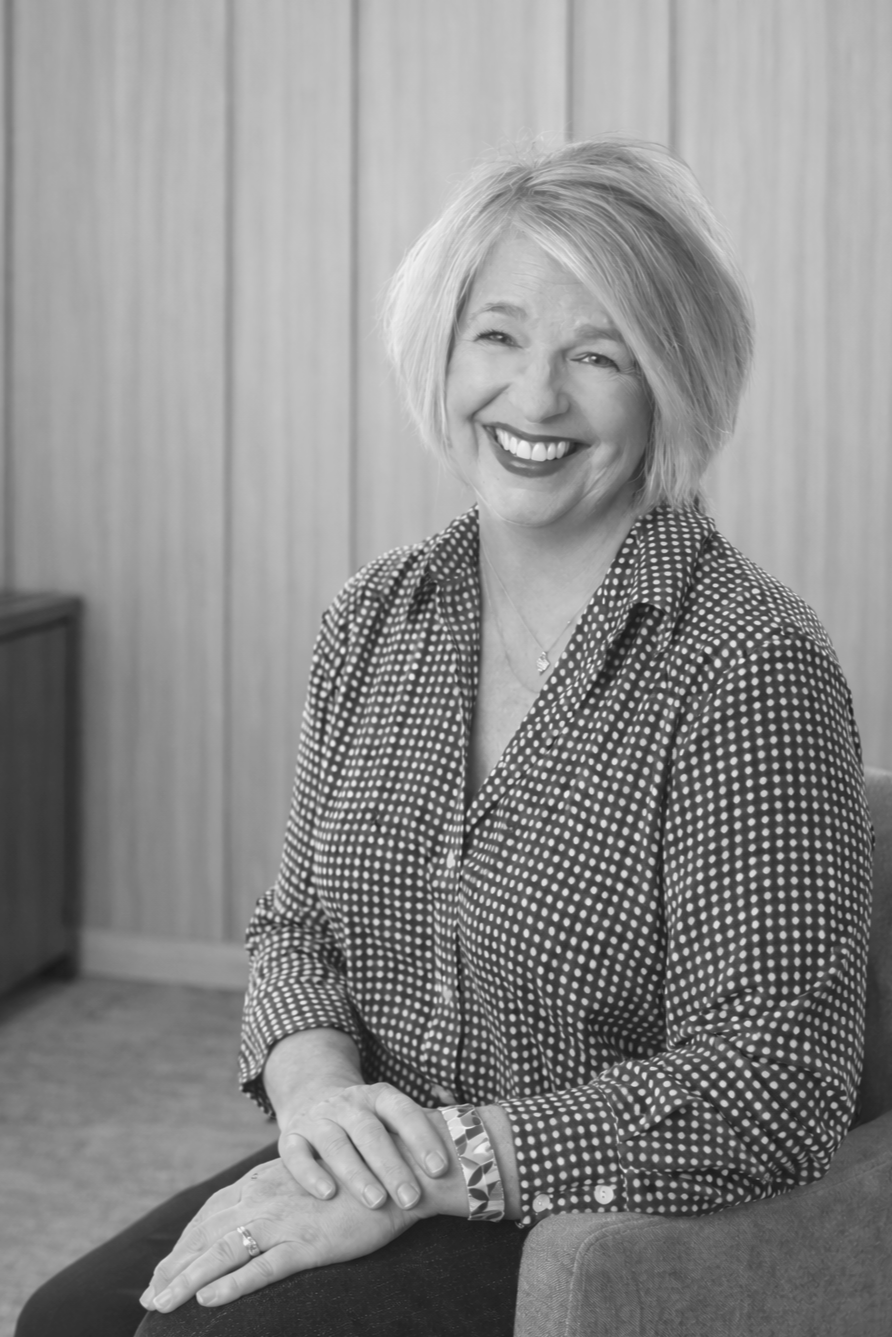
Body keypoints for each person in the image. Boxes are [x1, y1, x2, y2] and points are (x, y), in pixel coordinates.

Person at [17, 137, 873, 1337]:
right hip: (387, 1159)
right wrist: (320, 1100)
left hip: (588, 1214)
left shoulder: (743, 662)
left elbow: (772, 1083)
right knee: (70, 1319)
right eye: (501, 335)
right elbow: (296, 927)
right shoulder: (374, 616)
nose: (534, 399)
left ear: (672, 379)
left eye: (599, 353)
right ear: (444, 347)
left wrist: (441, 1167)